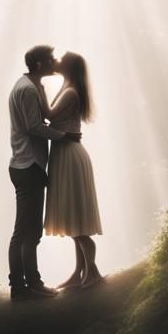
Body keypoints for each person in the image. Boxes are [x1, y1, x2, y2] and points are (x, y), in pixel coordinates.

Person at [7, 45, 80, 302]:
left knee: (29, 231)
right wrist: (66, 135)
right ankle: (24, 286)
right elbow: (34, 127)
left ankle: (26, 284)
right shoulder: (27, 90)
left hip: (28, 164)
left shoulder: (31, 85)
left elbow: (41, 120)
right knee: (25, 232)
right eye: (50, 59)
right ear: (39, 64)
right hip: (29, 166)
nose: (54, 61)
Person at [43, 51, 104, 289]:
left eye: (60, 59)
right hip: (66, 153)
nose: (56, 61)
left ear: (68, 66)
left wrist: (37, 85)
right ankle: (80, 271)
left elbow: (47, 115)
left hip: (69, 154)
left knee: (76, 222)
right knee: (73, 218)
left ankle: (93, 273)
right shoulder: (68, 87)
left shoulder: (69, 92)